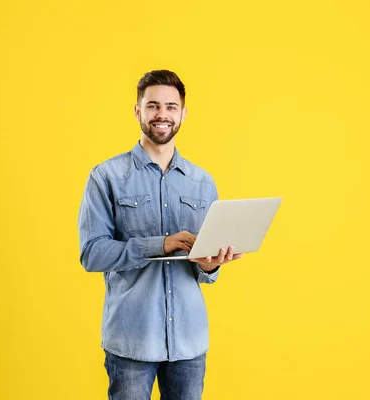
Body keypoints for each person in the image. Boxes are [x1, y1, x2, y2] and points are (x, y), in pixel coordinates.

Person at [78, 69, 242, 400]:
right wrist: (160, 244)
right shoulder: (105, 177)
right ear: (138, 111)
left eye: (170, 107)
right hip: (131, 340)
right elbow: (92, 254)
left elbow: (203, 273)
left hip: (189, 342)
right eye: (153, 106)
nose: (162, 115)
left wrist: (210, 265)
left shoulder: (202, 182)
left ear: (182, 114)